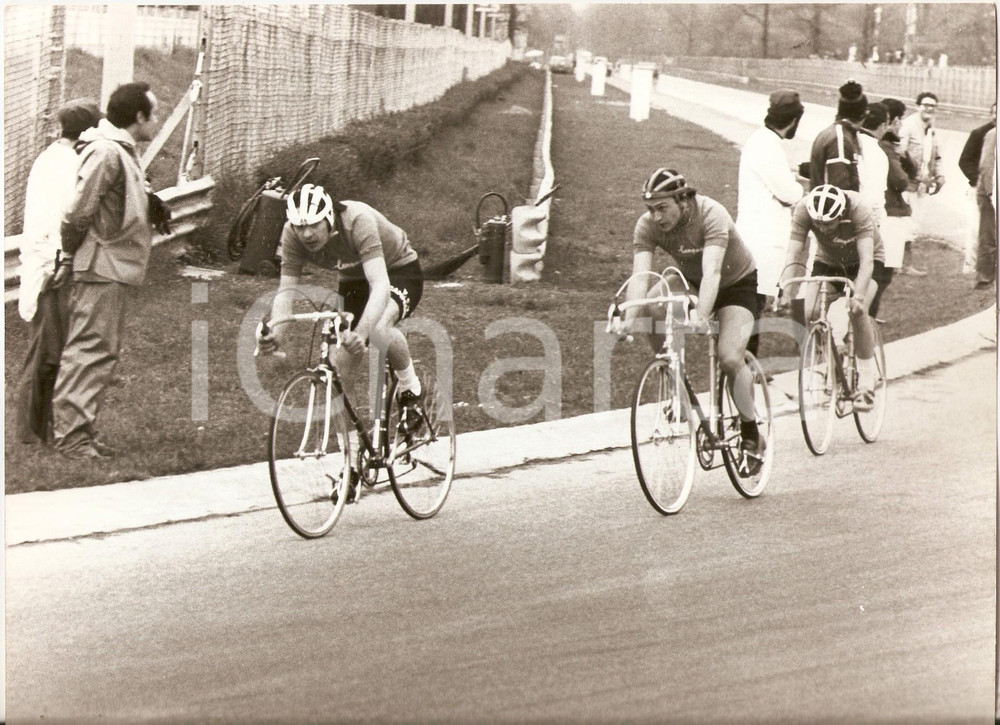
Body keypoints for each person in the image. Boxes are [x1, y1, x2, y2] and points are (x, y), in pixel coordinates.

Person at [257, 184, 426, 492]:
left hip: (397, 269)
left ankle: (410, 388)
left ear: (329, 218)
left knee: (378, 329)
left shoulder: (357, 220)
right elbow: (286, 291)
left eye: (313, 225)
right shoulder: (292, 234)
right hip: (353, 278)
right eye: (300, 226)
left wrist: (361, 334)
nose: (306, 234)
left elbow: (379, 286)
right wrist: (276, 332)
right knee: (339, 368)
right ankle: (349, 465)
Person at [613, 168, 765, 466]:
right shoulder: (647, 225)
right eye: (650, 209)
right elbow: (640, 277)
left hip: (737, 285)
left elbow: (714, 271)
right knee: (652, 306)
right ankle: (676, 389)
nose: (656, 217)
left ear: (683, 200)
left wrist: (701, 314)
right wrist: (629, 319)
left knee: (730, 358)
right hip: (692, 280)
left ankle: (751, 433)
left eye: (662, 208)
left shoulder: (712, 214)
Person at [51, 82, 160, 459]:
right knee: (89, 348)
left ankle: (81, 431)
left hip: (111, 266)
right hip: (99, 266)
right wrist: (68, 255)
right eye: (154, 114)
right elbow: (79, 210)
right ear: (139, 117)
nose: (156, 121)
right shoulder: (106, 151)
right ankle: (71, 438)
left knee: (101, 349)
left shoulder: (120, 151)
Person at [14, 98, 102, 444]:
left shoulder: (61, 158)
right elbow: (61, 218)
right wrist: (58, 263)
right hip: (50, 264)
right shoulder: (63, 163)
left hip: (53, 261)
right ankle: (30, 434)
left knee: (52, 351)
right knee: (46, 354)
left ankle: (42, 430)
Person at [779, 185, 887, 411]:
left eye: (828, 223)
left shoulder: (859, 209)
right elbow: (793, 251)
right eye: (817, 223)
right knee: (810, 312)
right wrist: (785, 291)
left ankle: (866, 384)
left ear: (840, 214)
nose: (822, 228)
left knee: (857, 311)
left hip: (864, 262)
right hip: (828, 261)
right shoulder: (803, 209)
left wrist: (858, 296)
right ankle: (832, 364)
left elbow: (867, 260)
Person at [735, 89, 805, 302]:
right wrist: (800, 187)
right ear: (794, 120)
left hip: (757, 231)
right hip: (763, 237)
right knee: (753, 302)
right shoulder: (768, 146)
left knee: (752, 301)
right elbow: (790, 194)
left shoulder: (762, 139)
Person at [897, 91, 945, 274]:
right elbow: (900, 153)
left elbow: (937, 155)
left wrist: (940, 176)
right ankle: (904, 265)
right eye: (925, 105)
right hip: (906, 185)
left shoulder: (932, 129)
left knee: (913, 225)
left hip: (921, 186)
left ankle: (901, 265)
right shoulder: (908, 125)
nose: (929, 109)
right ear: (918, 106)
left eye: (933, 106)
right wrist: (915, 174)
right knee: (905, 225)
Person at [878, 98, 917, 280]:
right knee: (885, 270)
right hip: (890, 209)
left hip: (890, 208)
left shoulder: (891, 146)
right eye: (899, 119)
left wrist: (904, 154)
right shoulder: (885, 148)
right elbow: (901, 180)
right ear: (891, 121)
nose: (901, 124)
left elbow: (912, 170)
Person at [808, 80, 868, 192]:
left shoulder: (837, 133)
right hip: (832, 208)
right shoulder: (840, 140)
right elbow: (839, 189)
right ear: (862, 115)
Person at [958, 102, 996, 273]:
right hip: (979, 189)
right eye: (995, 113)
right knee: (975, 230)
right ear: (990, 114)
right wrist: (978, 179)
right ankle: (970, 266)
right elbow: (964, 160)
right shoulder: (979, 133)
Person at [974, 126, 996, 290]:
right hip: (990, 193)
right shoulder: (994, 134)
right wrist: (991, 193)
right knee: (988, 236)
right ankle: (984, 278)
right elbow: (986, 165)